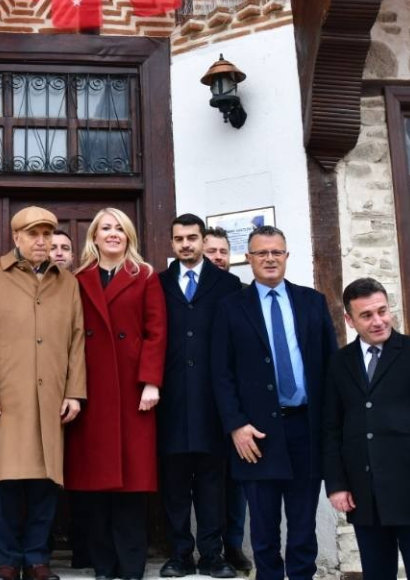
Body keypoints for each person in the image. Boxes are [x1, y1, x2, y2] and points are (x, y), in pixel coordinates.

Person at [210, 225, 337, 580]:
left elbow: (331, 366)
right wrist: (236, 425)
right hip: (256, 434)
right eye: (261, 253)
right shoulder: (230, 308)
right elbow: (221, 374)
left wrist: (331, 426)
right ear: (248, 259)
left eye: (276, 252)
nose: (270, 258)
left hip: (305, 428)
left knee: (303, 527)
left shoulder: (313, 302)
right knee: (264, 531)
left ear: (286, 256)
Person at [0, 206, 86, 580]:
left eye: (47, 234)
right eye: (33, 234)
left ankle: (37, 559)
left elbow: (77, 340)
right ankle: (6, 560)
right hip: (5, 397)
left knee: (45, 481)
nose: (41, 241)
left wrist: (75, 392)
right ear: (16, 237)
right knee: (3, 480)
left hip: (51, 396)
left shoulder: (67, 282)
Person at [323, 278, 410, 580]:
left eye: (382, 311)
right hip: (365, 496)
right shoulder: (339, 363)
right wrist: (337, 484)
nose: (378, 321)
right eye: (367, 315)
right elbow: (331, 428)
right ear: (350, 320)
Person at [64, 208, 166, 580]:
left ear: (128, 236)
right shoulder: (79, 278)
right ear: (93, 235)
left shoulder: (145, 276)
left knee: (131, 486)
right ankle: (104, 566)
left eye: (119, 229)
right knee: (95, 486)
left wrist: (151, 382)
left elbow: (156, 331)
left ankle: (131, 566)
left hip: (132, 391)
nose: (112, 234)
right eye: (105, 228)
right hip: (91, 390)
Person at [156, 215, 243, 579]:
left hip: (213, 401)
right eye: (179, 239)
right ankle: (179, 555)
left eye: (192, 237)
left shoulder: (228, 284)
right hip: (171, 400)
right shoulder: (158, 283)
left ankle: (211, 555)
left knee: (212, 484)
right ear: (172, 243)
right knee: (174, 484)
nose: (186, 244)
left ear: (203, 240)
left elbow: (238, 344)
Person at [196, 225, 252, 575]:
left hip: (238, 403)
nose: (217, 257)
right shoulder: (191, 294)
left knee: (237, 480)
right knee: (207, 480)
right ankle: (209, 548)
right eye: (211, 251)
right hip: (202, 402)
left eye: (222, 251)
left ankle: (234, 545)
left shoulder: (243, 293)